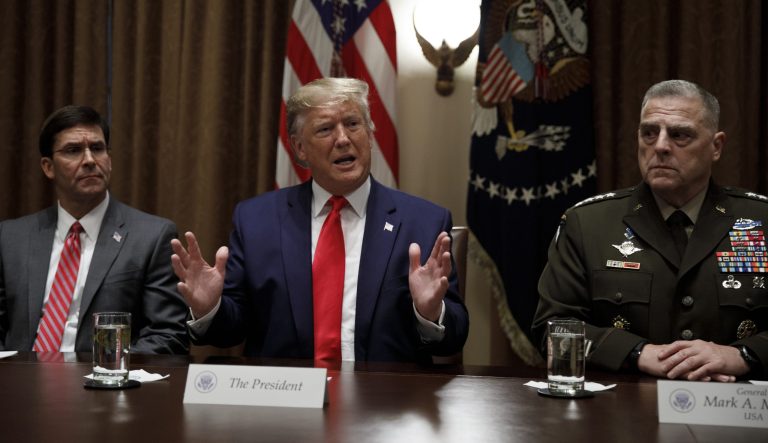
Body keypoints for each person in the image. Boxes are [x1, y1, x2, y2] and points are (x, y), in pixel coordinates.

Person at [171, 77, 469, 364]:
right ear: (300, 148)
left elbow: (456, 336)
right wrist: (210, 308)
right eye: (326, 129)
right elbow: (231, 330)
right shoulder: (256, 220)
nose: (343, 139)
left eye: (353, 124)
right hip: (287, 393)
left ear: (369, 134)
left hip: (384, 394)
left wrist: (430, 314)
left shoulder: (423, 222)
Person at [533, 80, 767, 381]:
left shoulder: (760, 219)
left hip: (734, 402)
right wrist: (635, 353)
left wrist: (743, 355)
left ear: (716, 146)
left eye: (680, 135)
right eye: (649, 133)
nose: (660, 146)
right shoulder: (588, 223)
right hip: (622, 403)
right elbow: (551, 330)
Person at [0, 105, 189, 354]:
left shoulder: (152, 237)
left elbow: (167, 335)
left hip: (105, 376)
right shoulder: (10, 238)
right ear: (48, 167)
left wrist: (107, 369)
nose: (90, 160)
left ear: (109, 160)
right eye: (73, 150)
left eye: (97, 148)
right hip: (20, 375)